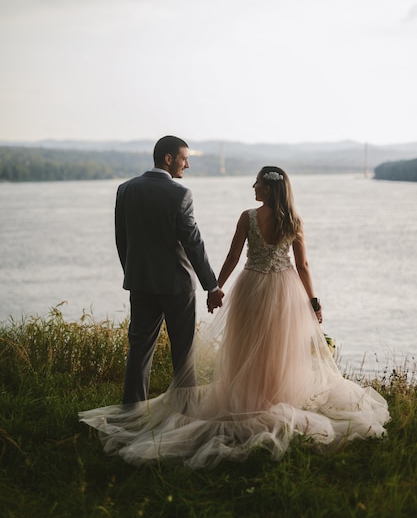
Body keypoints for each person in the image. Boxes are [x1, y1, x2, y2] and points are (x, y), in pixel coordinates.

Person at [80, 166, 389, 468]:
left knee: (247, 346)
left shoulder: (248, 217)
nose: (253, 187)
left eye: (257, 183)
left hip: (251, 288)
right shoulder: (294, 220)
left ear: (267, 189)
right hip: (285, 290)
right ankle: (274, 399)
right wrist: (313, 301)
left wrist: (218, 289)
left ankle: (249, 401)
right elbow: (303, 265)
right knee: (278, 349)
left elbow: (232, 256)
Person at [114, 135, 224, 403]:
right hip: (177, 287)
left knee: (138, 351)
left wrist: (134, 272)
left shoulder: (125, 189)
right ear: (168, 159)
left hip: (140, 283)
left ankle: (132, 414)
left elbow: (122, 239)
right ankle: (186, 414)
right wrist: (212, 285)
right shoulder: (180, 194)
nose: (187, 165)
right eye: (184, 159)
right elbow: (193, 243)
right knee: (183, 354)